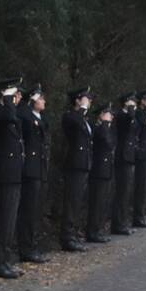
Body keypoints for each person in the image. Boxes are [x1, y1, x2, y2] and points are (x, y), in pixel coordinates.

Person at [0, 77, 25, 279]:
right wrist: (8, 100)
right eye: (15, 94)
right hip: (3, 172)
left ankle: (5, 259)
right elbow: (8, 117)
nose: (18, 98)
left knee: (9, 220)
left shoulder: (10, 112)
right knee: (2, 219)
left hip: (13, 173)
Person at [17, 84, 50, 264]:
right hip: (30, 167)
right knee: (28, 209)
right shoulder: (25, 115)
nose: (44, 101)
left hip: (39, 167)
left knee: (35, 209)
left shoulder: (39, 118)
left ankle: (32, 244)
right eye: (41, 98)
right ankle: (26, 247)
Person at [59, 87, 94, 252]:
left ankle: (74, 233)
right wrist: (81, 110)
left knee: (78, 201)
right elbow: (74, 125)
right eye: (85, 98)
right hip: (74, 164)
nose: (89, 102)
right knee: (71, 202)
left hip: (83, 164)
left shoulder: (84, 119)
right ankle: (67, 237)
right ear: (77, 100)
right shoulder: (71, 116)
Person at [87, 104, 116, 243]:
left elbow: (113, 142)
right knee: (96, 202)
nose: (110, 116)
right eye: (107, 114)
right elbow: (107, 142)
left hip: (106, 169)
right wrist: (104, 123)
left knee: (103, 201)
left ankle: (98, 229)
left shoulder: (107, 129)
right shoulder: (99, 128)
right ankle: (93, 231)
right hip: (99, 169)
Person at [111, 92, 138, 235]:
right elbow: (126, 125)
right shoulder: (121, 115)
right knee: (122, 191)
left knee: (126, 191)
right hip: (122, 156)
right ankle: (118, 223)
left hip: (130, 155)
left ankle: (123, 222)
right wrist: (130, 111)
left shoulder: (130, 115)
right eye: (131, 102)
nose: (134, 104)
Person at [132, 90, 146, 228]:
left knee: (144, 186)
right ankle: (138, 217)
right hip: (141, 153)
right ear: (142, 101)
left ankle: (140, 215)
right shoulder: (140, 114)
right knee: (140, 187)